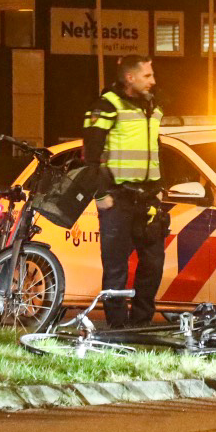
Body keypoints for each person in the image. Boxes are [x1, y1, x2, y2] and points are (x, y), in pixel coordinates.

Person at [82, 54, 167, 328]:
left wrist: (160, 188)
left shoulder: (152, 106)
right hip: (117, 199)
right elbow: (91, 156)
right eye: (147, 76)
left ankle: (141, 325)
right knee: (116, 268)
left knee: (152, 264)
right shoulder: (107, 105)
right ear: (130, 78)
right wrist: (99, 194)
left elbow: (156, 150)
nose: (153, 81)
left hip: (148, 199)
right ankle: (118, 329)